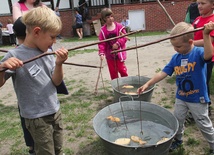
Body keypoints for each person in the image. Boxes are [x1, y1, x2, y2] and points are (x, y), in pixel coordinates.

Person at [137, 22, 214, 154]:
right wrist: (148, 83)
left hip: (197, 98)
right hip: (181, 97)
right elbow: (163, 73)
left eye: (178, 46)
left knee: (203, 123)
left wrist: (206, 35)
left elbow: (209, 55)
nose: (175, 49)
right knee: (177, 120)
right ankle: (178, 139)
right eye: (173, 46)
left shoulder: (198, 53)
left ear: (190, 42)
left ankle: (213, 144)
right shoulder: (176, 58)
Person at [0, 6, 68, 155]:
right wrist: (3, 67)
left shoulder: (48, 52)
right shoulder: (14, 55)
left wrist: (58, 64)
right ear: (37, 32)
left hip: (54, 110)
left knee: (58, 149)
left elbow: (56, 82)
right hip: (36, 118)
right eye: (52, 37)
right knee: (46, 152)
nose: (54, 41)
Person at [192, 0, 214, 115]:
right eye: (198, 3)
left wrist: (191, 43)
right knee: (195, 81)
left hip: (207, 57)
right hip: (195, 56)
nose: (199, 6)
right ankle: (194, 105)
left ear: (212, 5)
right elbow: (190, 32)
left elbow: (209, 40)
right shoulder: (197, 19)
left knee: (203, 82)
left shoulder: (212, 21)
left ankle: (206, 107)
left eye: (203, 3)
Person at [98, 8, 128, 80]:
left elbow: (124, 37)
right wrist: (101, 53)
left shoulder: (119, 27)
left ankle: (126, 84)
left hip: (119, 54)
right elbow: (102, 43)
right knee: (113, 73)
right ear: (104, 19)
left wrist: (118, 43)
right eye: (108, 17)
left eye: (111, 16)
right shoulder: (103, 30)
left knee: (122, 70)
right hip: (110, 55)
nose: (110, 19)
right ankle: (117, 87)